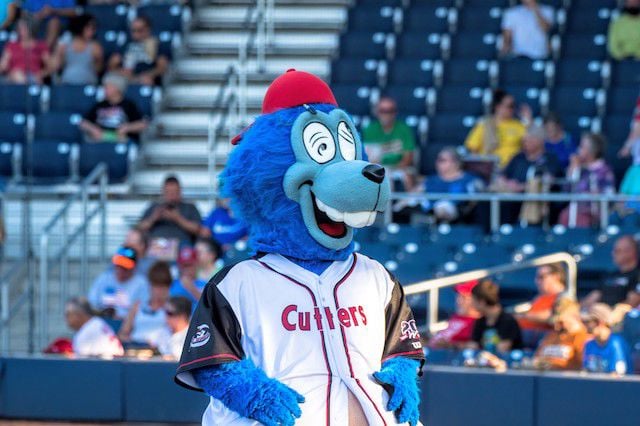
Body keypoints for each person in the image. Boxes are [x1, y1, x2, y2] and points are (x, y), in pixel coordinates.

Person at [498, 125, 562, 224]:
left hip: (532, 198)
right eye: (524, 140)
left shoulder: (550, 159)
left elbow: (548, 181)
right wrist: (507, 183)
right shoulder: (518, 157)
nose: (524, 143)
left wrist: (521, 187)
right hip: (509, 194)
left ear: (539, 141)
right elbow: (503, 175)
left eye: (528, 140)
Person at [559, 133, 615, 228]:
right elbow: (566, 190)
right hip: (574, 210)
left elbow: (609, 195)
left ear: (592, 151)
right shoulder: (578, 168)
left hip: (594, 213)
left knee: (580, 218)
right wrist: (572, 169)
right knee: (564, 216)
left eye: (582, 147)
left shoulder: (604, 170)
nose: (578, 150)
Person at [138, 175, 202, 256]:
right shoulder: (154, 207)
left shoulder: (190, 207)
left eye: (174, 192)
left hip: (180, 244)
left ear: (180, 192)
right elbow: (139, 228)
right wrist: (153, 218)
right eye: (168, 192)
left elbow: (197, 229)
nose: (171, 195)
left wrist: (178, 219)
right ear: (163, 192)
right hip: (157, 244)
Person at [362, 96, 417, 189]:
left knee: (406, 175)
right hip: (377, 167)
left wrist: (393, 168)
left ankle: (409, 203)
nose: (386, 114)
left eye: (390, 111)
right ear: (377, 112)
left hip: (399, 167)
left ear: (395, 112)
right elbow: (367, 157)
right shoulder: (370, 129)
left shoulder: (403, 129)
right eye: (382, 111)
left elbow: (408, 157)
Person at [464, 89, 528, 168]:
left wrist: (528, 120)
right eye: (510, 106)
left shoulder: (519, 125)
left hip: (512, 170)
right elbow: (473, 149)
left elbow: (530, 146)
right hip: (490, 168)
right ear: (498, 107)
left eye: (514, 106)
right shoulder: (484, 125)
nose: (513, 109)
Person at [79, 72, 147, 144]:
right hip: (100, 139)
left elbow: (143, 124)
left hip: (121, 140)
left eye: (107, 87)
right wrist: (93, 129)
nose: (104, 89)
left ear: (117, 88)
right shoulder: (99, 105)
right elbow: (83, 122)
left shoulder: (129, 105)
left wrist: (127, 128)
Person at [421, 147, 483, 224]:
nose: (437, 162)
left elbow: (481, 195)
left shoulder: (470, 180)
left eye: (442, 160)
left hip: (461, 218)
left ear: (455, 162)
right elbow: (411, 197)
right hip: (431, 215)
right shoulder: (430, 180)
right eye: (438, 160)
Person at [118, 261, 172, 347]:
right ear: (150, 286)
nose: (159, 292)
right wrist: (133, 342)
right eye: (156, 286)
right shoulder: (137, 307)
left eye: (163, 287)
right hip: (136, 350)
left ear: (168, 288)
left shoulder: (171, 310)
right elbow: (122, 334)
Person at [87, 246, 149, 319]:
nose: (120, 269)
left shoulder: (141, 284)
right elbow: (91, 303)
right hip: (103, 323)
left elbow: (144, 311)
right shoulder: (104, 279)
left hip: (129, 325)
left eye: (124, 267)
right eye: (118, 265)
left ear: (134, 267)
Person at [517, 263, 567, 348]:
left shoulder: (564, 297)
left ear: (556, 276)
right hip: (526, 341)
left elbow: (553, 316)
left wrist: (523, 316)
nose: (537, 281)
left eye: (541, 277)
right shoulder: (539, 298)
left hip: (544, 341)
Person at [108, 16, 169, 86]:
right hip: (125, 77)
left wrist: (147, 75)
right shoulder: (126, 44)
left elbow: (162, 67)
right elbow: (112, 64)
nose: (135, 34)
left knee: (147, 81)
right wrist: (122, 72)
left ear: (148, 30)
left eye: (139, 30)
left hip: (145, 77)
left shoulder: (156, 44)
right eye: (133, 30)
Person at [583, 235, 640, 308]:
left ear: (631, 252)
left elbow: (632, 302)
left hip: (620, 316)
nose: (613, 254)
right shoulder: (610, 275)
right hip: (598, 314)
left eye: (617, 251)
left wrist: (611, 312)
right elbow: (592, 298)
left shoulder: (637, 275)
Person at [533, 297, 588, 371]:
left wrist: (553, 366)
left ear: (575, 317)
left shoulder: (583, 338)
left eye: (561, 322)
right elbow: (537, 358)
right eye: (554, 322)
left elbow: (584, 367)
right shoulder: (551, 336)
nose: (556, 327)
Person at [469, 279, 523, 353]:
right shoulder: (480, 322)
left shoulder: (508, 321)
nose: (472, 304)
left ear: (482, 302)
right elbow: (473, 347)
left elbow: (502, 350)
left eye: (473, 301)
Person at [51, 14, 103, 85]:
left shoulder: (95, 47)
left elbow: (98, 69)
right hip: (67, 83)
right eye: (89, 28)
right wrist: (58, 53)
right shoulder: (65, 45)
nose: (93, 31)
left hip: (88, 83)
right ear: (81, 27)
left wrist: (98, 60)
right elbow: (55, 66)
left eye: (93, 28)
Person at [582, 303, 632, 375]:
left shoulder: (616, 343)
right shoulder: (589, 344)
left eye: (588, 322)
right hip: (595, 385)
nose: (585, 325)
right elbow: (586, 372)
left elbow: (617, 375)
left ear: (600, 322)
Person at [429, 280, 480, 348]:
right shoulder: (456, 317)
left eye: (464, 297)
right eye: (458, 296)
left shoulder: (479, 323)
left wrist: (450, 345)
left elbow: (475, 346)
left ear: (476, 300)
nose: (458, 301)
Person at [0, 18, 51, 84]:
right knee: (18, 75)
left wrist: (41, 74)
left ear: (31, 29)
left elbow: (50, 66)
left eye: (24, 28)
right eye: (19, 29)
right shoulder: (12, 46)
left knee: (37, 81)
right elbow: (3, 65)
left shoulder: (41, 46)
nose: (21, 31)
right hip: (14, 78)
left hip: (35, 77)